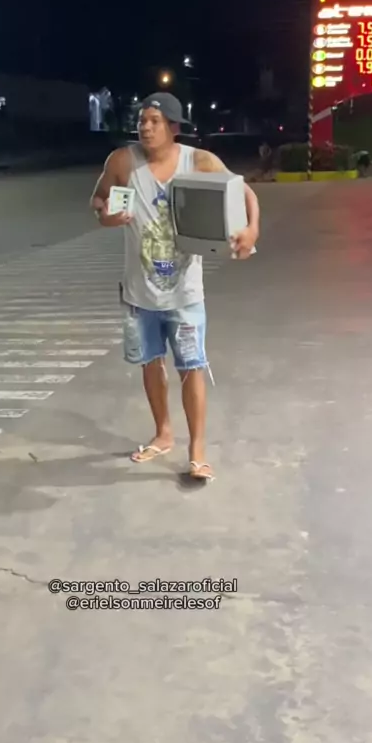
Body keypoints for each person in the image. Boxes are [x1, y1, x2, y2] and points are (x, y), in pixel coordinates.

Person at [90, 92, 259, 480]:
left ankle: (197, 450)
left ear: (174, 127)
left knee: (191, 367)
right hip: (139, 293)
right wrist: (106, 217)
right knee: (151, 364)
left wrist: (251, 230)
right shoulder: (122, 162)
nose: (145, 127)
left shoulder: (198, 162)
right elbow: (98, 200)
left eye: (155, 121)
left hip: (184, 293)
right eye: (142, 121)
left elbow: (245, 192)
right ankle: (163, 433)